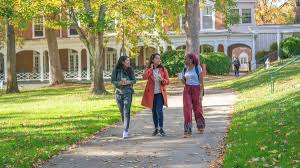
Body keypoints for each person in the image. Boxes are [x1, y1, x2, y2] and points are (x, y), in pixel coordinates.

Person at [141, 53, 169, 137]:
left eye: (159, 58)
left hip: (160, 93)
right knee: (154, 112)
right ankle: (156, 128)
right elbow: (144, 77)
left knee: (159, 111)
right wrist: (151, 69)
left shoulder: (163, 69)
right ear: (152, 60)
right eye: (157, 58)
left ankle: (161, 128)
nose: (159, 60)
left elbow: (168, 81)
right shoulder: (149, 69)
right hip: (151, 94)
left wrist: (162, 80)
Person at [180, 53, 205, 138]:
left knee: (197, 108)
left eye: (186, 59)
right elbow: (184, 82)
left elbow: (201, 83)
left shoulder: (198, 68)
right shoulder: (184, 69)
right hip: (187, 89)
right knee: (187, 108)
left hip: (196, 89)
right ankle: (187, 130)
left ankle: (200, 125)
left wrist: (201, 94)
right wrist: (181, 79)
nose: (185, 60)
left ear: (191, 60)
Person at [111, 56, 136, 139]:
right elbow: (112, 81)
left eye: (129, 61)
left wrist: (127, 82)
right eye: (127, 61)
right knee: (122, 112)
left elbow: (134, 80)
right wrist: (119, 83)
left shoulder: (130, 69)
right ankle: (126, 126)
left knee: (126, 111)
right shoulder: (116, 70)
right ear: (122, 62)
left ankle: (125, 130)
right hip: (118, 93)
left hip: (128, 92)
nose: (129, 62)